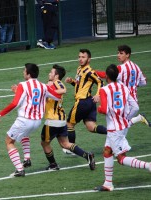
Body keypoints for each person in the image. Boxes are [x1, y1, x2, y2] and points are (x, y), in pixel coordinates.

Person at [0, 63, 63, 177]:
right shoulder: (43, 86)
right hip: (37, 122)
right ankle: (27, 159)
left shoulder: (23, 85)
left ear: (28, 74)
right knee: (24, 134)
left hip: (24, 120)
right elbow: (58, 96)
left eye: (24, 71)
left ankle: (19, 169)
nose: (23, 72)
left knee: (9, 142)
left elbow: (15, 103)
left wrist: (1, 113)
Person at [94, 64, 151, 192]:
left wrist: (97, 106)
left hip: (114, 129)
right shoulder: (124, 87)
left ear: (106, 76)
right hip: (121, 126)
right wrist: (125, 117)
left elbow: (103, 109)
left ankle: (148, 165)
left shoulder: (104, 90)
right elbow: (135, 107)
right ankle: (108, 183)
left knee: (121, 158)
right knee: (107, 151)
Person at [40, 64, 96, 171]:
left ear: (56, 76)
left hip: (52, 121)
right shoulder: (53, 84)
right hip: (61, 120)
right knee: (65, 143)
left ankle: (53, 164)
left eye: (51, 72)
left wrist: (48, 92)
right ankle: (87, 156)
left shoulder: (57, 83)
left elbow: (63, 90)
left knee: (44, 143)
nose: (49, 74)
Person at [64, 49, 107, 155]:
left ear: (89, 59)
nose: (80, 59)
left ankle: (71, 148)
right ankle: (113, 132)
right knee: (91, 127)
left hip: (82, 102)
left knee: (69, 124)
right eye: (79, 57)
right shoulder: (79, 69)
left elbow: (100, 82)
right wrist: (72, 82)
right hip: (89, 102)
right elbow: (80, 85)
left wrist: (98, 95)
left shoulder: (89, 71)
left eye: (83, 57)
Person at [95, 45, 150, 127]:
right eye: (118, 53)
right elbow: (144, 82)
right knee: (122, 125)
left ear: (127, 55)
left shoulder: (122, 68)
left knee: (119, 124)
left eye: (121, 53)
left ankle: (139, 118)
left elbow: (106, 75)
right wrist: (133, 84)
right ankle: (139, 118)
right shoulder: (136, 67)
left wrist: (92, 72)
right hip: (134, 99)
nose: (118, 55)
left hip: (125, 100)